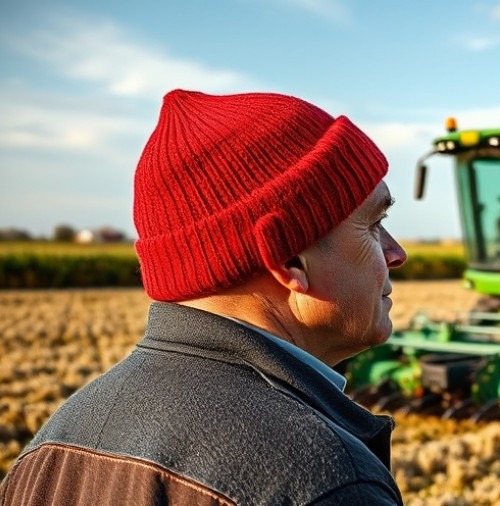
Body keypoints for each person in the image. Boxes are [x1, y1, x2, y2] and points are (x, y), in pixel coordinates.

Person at [0, 90, 408, 504]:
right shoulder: (326, 480)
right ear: (289, 259)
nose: (397, 254)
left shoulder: (51, 449)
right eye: (374, 224)